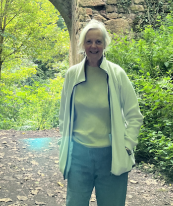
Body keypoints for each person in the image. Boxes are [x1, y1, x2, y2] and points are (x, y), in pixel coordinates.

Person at [58, 19, 143, 206]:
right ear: (82, 45)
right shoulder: (72, 75)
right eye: (89, 41)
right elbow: (64, 116)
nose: (93, 46)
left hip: (111, 155)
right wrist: (66, 147)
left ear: (105, 44)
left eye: (98, 41)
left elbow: (134, 115)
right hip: (79, 156)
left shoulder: (117, 74)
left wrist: (127, 146)